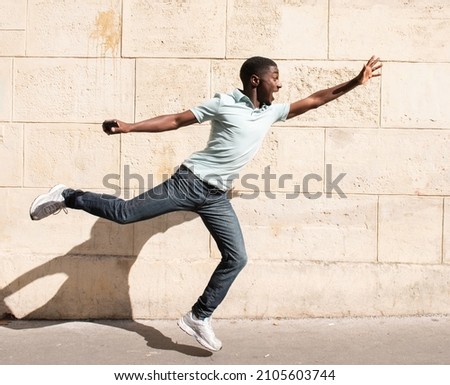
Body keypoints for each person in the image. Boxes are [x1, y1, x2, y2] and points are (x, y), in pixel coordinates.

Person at [29, 55, 382, 351]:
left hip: (216, 197)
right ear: (256, 80)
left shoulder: (270, 113)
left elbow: (316, 99)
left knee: (237, 257)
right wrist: (130, 127)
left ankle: (198, 316)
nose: (281, 84)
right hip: (189, 183)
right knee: (123, 214)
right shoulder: (224, 104)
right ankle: (67, 195)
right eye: (276, 78)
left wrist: (355, 81)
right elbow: (176, 120)